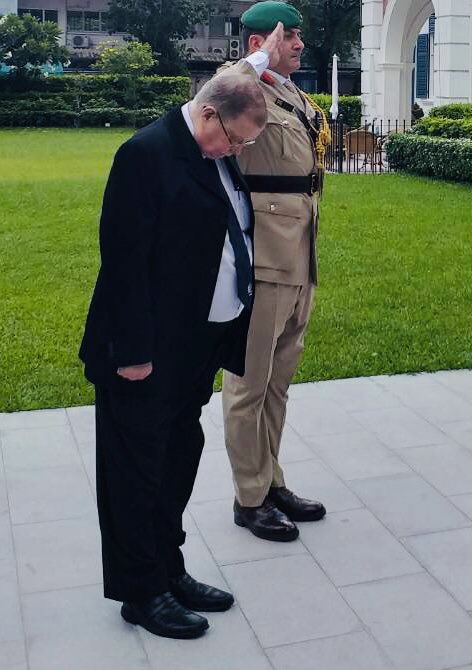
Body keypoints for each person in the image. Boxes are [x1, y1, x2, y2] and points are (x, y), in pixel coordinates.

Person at [79, 60, 273, 640]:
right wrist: (133, 351)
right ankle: (141, 590)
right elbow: (124, 262)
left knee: (177, 458)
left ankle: (169, 567)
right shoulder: (146, 154)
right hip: (144, 352)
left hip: (194, 344)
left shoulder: (213, 155)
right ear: (208, 112)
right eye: (233, 138)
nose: (233, 151)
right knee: (135, 473)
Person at [222, 1, 331, 542]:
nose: (299, 46)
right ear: (260, 43)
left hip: (298, 250)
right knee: (248, 382)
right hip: (263, 255)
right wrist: (257, 57)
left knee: (279, 381)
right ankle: (249, 496)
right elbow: (213, 94)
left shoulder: (289, 92)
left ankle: (272, 480)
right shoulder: (244, 85)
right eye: (290, 38)